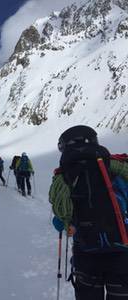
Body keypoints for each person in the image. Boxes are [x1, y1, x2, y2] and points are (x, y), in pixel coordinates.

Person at [49, 125, 128, 300]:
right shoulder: (118, 169)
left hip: (86, 256)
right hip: (123, 255)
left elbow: (61, 221)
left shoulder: (65, 178)